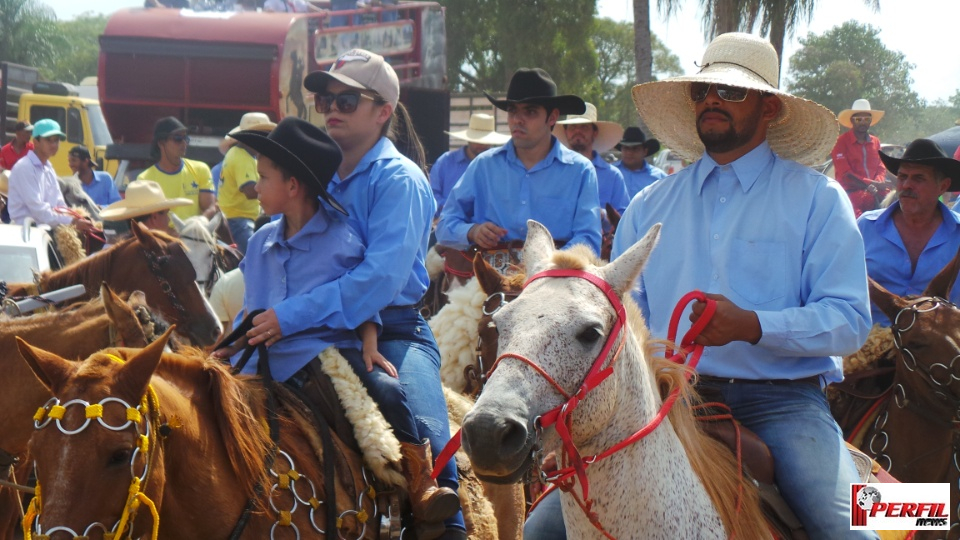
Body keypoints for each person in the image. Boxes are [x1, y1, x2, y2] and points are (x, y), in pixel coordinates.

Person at [600, 32, 875, 540]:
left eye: (731, 92)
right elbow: (619, 320)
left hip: (784, 402)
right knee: (544, 526)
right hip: (668, 400)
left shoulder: (818, 198)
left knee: (848, 530)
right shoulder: (648, 206)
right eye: (703, 90)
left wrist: (752, 326)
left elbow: (851, 321)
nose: (711, 100)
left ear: (769, 108)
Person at [225, 118, 460, 533]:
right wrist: (227, 345)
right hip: (265, 358)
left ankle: (423, 483)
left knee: (387, 390)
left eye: (262, 178)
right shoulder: (260, 241)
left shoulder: (344, 239)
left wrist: (370, 343)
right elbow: (253, 308)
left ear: (293, 186)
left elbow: (366, 300)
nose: (255, 186)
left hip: (325, 352)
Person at [289, 48, 463, 539]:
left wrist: (292, 314)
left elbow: (378, 281)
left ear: (383, 111)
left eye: (348, 99)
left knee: (432, 443)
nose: (332, 109)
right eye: (325, 100)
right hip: (313, 324)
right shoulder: (315, 176)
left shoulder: (400, 179)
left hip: (393, 330)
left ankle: (449, 526)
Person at [434, 68, 600, 256]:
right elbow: (444, 226)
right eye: (512, 111)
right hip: (488, 281)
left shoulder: (580, 171)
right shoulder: (484, 166)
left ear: (552, 117)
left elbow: (589, 239)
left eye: (530, 112)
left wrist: (549, 266)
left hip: (555, 279)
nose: (517, 120)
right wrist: (472, 232)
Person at [859, 139, 960, 326]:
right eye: (902, 177)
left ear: (943, 186)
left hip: (939, 348)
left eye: (918, 178)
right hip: (870, 347)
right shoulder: (866, 227)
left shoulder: (958, 235)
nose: (906, 185)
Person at [7, 119, 95, 233]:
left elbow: (59, 203)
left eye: (56, 140)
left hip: (46, 230)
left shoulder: (48, 167)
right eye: (49, 140)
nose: (54, 145)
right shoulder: (24, 167)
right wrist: (72, 222)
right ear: (36, 141)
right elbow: (38, 210)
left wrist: (73, 218)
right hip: (26, 234)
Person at [554, 101, 629, 223]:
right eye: (573, 127)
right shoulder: (552, 171)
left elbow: (624, 219)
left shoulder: (613, 176)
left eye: (584, 127)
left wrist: (602, 214)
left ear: (594, 132)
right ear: (566, 132)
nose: (578, 131)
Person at [137, 116, 216, 221]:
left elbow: (210, 207)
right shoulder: (145, 179)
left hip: (196, 234)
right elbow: (149, 221)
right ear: (161, 143)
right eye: (178, 138)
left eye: (186, 138)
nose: (184, 143)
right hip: (163, 236)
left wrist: (195, 228)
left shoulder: (201, 169)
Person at [430, 112, 509, 215]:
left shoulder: (500, 165)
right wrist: (447, 208)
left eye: (485, 141)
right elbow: (431, 193)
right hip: (449, 224)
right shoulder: (446, 161)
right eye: (477, 140)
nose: (482, 144)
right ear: (469, 139)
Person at [219, 112, 276, 254]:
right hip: (238, 221)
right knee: (256, 255)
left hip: (238, 218)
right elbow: (250, 191)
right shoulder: (242, 158)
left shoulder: (240, 154)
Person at [832, 99, 890, 217]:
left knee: (896, 205)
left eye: (867, 119)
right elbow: (846, 175)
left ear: (870, 121)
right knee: (857, 222)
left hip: (875, 190)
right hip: (849, 193)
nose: (863, 122)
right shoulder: (840, 142)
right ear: (852, 120)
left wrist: (877, 183)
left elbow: (881, 167)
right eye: (859, 119)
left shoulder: (876, 142)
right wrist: (870, 184)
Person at [99, 180, 192, 242]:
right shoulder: (160, 254)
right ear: (154, 217)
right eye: (166, 214)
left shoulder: (116, 252)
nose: (168, 220)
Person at [614, 126, 666, 198]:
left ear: (645, 151)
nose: (629, 153)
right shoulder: (610, 173)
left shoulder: (659, 178)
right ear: (621, 149)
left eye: (635, 149)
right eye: (626, 148)